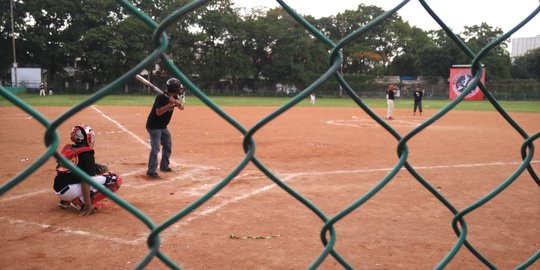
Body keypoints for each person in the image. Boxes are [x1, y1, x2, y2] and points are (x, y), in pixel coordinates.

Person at [54, 124, 122, 216]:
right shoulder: (87, 154)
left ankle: (64, 201)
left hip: (59, 188)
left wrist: (96, 167)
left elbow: (76, 166)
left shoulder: (68, 149)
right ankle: (81, 202)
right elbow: (85, 181)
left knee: (84, 173)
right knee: (115, 179)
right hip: (70, 191)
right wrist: (88, 204)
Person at [145, 78, 185, 179]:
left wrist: (177, 103)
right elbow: (158, 112)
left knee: (167, 146)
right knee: (156, 148)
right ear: (174, 88)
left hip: (163, 127)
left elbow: (182, 107)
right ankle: (151, 171)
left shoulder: (174, 96)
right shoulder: (161, 97)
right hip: (154, 126)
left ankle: (164, 166)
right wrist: (169, 104)